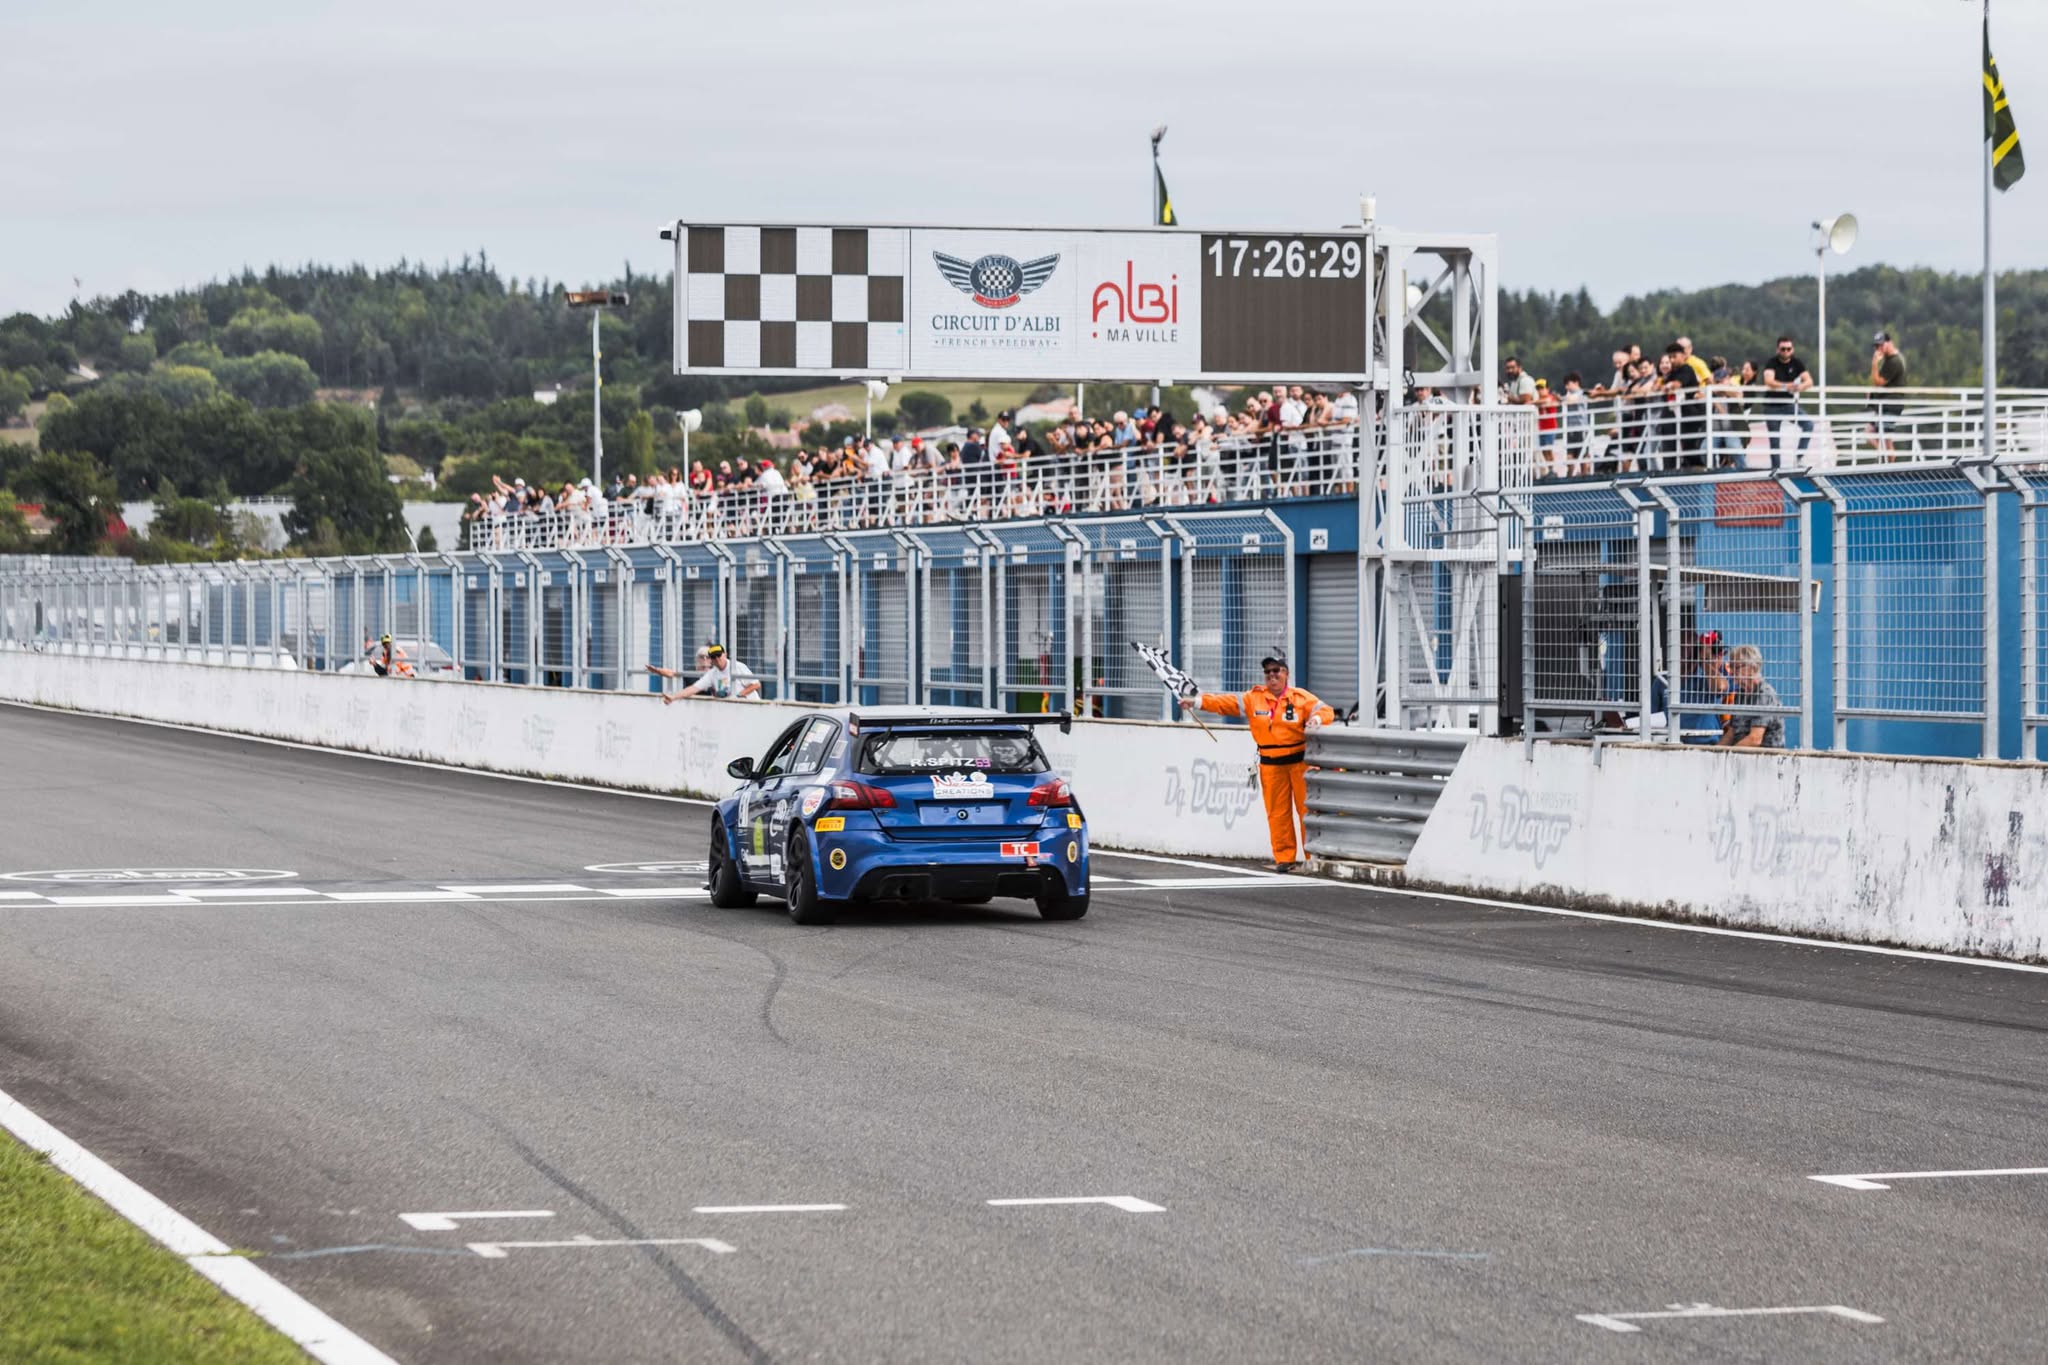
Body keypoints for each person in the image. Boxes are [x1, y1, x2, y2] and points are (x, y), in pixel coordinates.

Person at [1180, 653, 1334, 871]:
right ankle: (1284, 857)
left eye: (1276, 670)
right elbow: (1224, 703)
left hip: (1300, 764)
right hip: (1271, 765)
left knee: (1306, 811)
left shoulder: (1300, 698)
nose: (1272, 675)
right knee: (1277, 814)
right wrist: (1196, 702)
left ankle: (1312, 856)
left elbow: (1326, 710)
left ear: (1286, 674)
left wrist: (1316, 719)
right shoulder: (1254, 698)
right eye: (1267, 672)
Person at [1716, 644, 1785, 749]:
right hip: (1742, 754)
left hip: (1764, 756)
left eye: (1736, 667)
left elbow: (1755, 739)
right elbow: (1732, 732)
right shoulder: (1740, 694)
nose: (1731, 672)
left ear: (1752, 668)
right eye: (1731, 666)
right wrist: (1715, 752)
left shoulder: (1764, 694)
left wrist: (1729, 754)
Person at [1760, 335, 1814, 466]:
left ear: (1792, 349)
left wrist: (1800, 387)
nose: (1786, 352)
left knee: (1808, 424)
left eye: (1788, 349)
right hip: (1772, 405)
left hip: (1788, 404)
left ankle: (1799, 456)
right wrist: (1787, 386)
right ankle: (1776, 469)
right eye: (1783, 349)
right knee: (1774, 440)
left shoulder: (1796, 363)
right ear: (1777, 350)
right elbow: (1768, 381)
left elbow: (1809, 381)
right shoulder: (1771, 362)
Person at [653, 643, 761, 703]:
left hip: (750, 705)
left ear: (725, 654)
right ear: (711, 660)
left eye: (719, 655)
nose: (717, 659)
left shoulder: (737, 666)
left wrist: (738, 696)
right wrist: (673, 697)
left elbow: (756, 684)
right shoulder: (712, 674)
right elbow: (693, 688)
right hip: (731, 709)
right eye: (713, 657)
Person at [1869, 331, 1907, 453]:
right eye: (1876, 346)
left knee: (1885, 439)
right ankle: (1884, 456)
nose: (1878, 349)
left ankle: (1887, 458)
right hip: (1886, 404)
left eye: (1881, 345)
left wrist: (1874, 363)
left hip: (1891, 404)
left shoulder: (1894, 361)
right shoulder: (1890, 360)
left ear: (1889, 343)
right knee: (1871, 433)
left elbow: (1878, 381)